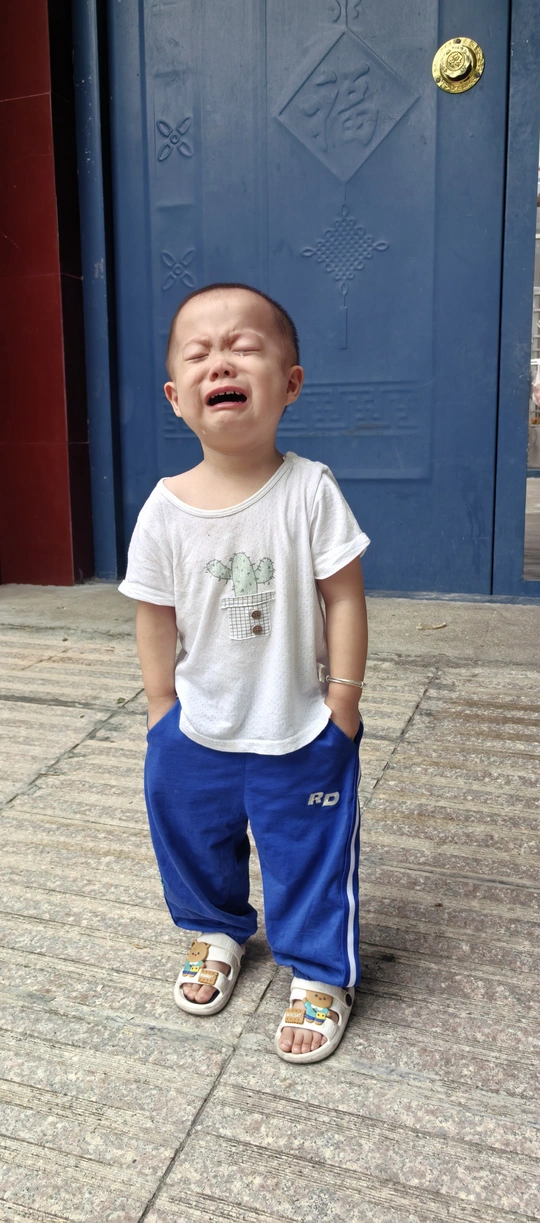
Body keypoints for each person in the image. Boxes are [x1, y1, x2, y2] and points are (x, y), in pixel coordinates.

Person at [119, 283, 370, 1064]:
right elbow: (154, 614)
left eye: (244, 347)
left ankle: (320, 970)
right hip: (194, 724)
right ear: (176, 397)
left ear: (289, 384)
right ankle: (215, 927)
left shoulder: (310, 489)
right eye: (199, 353)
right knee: (191, 836)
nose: (220, 362)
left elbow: (345, 597)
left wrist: (344, 700)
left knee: (309, 850)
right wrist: (161, 707)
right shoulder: (164, 508)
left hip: (300, 725)